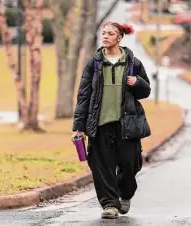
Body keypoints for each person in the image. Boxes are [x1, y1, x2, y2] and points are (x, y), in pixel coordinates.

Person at [71, 21, 151, 219]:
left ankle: (125, 194)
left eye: (110, 34)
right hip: (100, 124)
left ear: (120, 37)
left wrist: (137, 83)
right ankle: (109, 204)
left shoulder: (133, 63)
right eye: (103, 33)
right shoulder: (94, 63)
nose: (105, 37)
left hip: (127, 123)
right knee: (101, 165)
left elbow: (146, 91)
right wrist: (78, 127)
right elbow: (83, 96)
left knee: (130, 163)